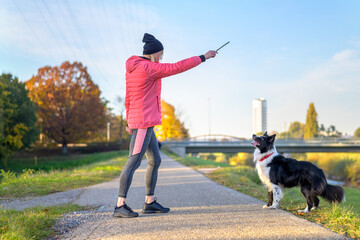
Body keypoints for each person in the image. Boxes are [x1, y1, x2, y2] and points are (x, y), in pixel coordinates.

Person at [113, 33, 217, 218]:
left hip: (144, 121)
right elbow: (177, 67)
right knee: (133, 161)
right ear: (154, 53)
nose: (161, 58)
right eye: (160, 54)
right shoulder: (148, 68)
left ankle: (150, 202)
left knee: (155, 160)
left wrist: (128, 120)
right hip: (143, 122)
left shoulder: (134, 67)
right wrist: (203, 57)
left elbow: (128, 97)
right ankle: (120, 205)